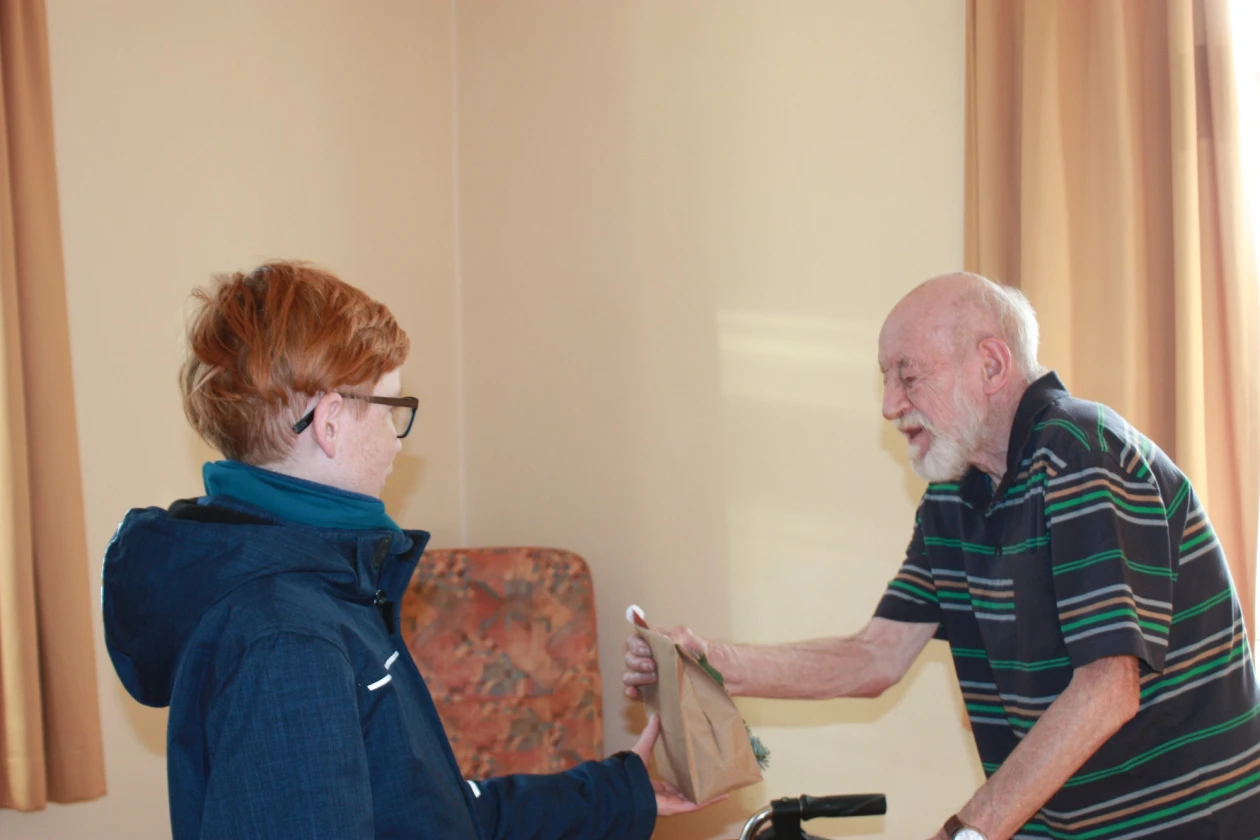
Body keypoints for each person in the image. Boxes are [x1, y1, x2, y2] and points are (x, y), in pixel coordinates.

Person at [624, 272, 1260, 840]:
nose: (889, 404)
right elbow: (875, 655)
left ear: (989, 364)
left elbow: (1106, 689)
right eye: (885, 378)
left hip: (1187, 822)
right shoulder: (953, 500)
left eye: (908, 373)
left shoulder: (1080, 451)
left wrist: (969, 831)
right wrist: (713, 663)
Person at [102, 261, 706, 840]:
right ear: (331, 422)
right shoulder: (287, 637)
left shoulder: (322, 587)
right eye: (393, 409)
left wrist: (620, 794)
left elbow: (431, 813)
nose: (396, 444)